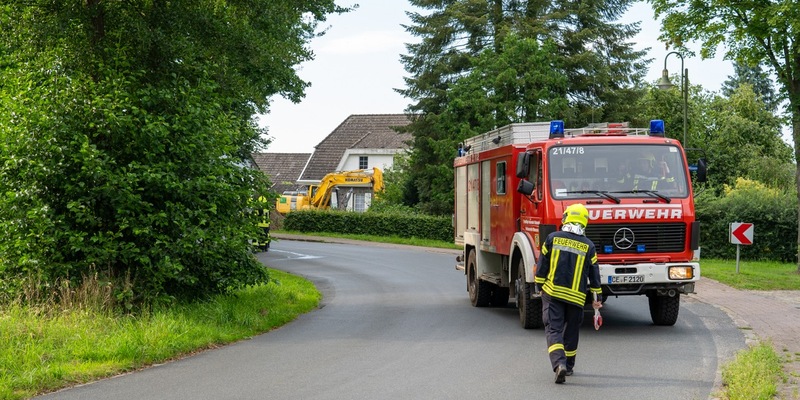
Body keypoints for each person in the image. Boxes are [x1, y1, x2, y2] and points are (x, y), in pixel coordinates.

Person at [534, 203, 602, 384]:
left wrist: (539, 285)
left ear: (566, 218)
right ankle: (569, 366)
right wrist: (597, 299)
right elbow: (595, 275)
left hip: (553, 293)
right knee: (571, 332)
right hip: (576, 298)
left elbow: (542, 266)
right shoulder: (589, 246)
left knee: (553, 329)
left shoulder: (552, 238)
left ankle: (559, 364)